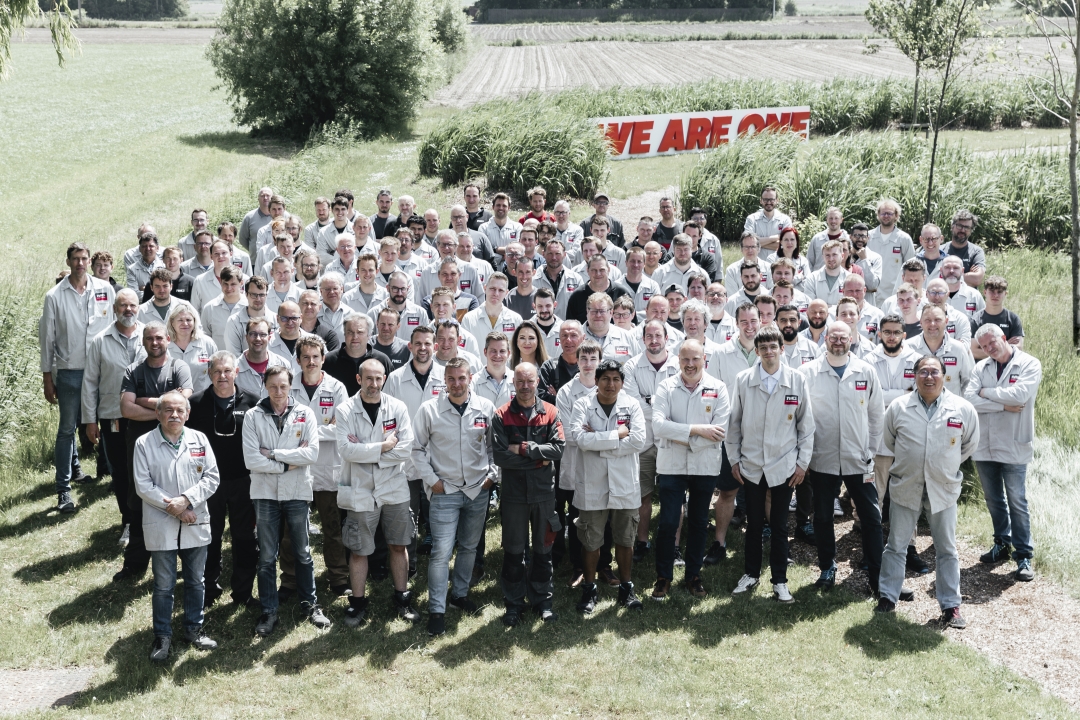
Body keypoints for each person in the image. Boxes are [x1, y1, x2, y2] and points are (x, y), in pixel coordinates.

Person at [878, 356, 979, 629]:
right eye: (923, 372)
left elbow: (968, 445)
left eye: (935, 371)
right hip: (906, 485)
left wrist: (943, 464)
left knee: (946, 549)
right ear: (915, 376)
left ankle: (951, 606)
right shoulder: (899, 407)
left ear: (944, 375)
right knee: (896, 545)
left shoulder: (962, 409)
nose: (929, 377)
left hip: (942, 487)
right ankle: (887, 597)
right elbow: (888, 441)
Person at [728, 326, 815, 604]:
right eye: (762, 348)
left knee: (779, 526)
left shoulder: (797, 380)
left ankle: (780, 581)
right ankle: (751, 574)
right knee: (754, 525)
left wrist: (802, 464)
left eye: (773, 347)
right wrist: (734, 460)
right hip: (752, 466)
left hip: (784, 467)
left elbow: (807, 427)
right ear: (756, 351)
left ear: (782, 349)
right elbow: (734, 426)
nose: (768, 352)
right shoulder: (743, 380)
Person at [411, 358, 497, 636]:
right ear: (444, 381)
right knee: (440, 553)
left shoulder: (485, 408)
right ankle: (437, 609)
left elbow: (495, 447)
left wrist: (492, 476)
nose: (457, 384)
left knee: (470, 547)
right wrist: (432, 480)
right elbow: (416, 450)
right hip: (444, 490)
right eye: (451, 379)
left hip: (477, 489)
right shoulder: (429, 410)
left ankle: (459, 595)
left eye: (462, 378)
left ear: (470, 378)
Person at [242, 365, 330, 635]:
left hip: (296, 492)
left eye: (283, 387)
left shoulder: (305, 413)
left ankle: (310, 605)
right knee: (267, 556)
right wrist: (288, 460)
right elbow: (251, 460)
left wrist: (273, 454)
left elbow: (312, 454)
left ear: (290, 387)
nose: (278, 392)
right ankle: (269, 611)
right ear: (265, 387)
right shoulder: (252, 416)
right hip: (265, 493)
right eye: (273, 387)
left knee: (303, 553)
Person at [799, 321, 885, 593]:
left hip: (859, 460)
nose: (838, 341)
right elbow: (802, 419)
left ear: (852, 339)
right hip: (822, 459)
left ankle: (876, 573)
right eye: (833, 337)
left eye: (843, 337)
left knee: (871, 517)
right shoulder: (808, 373)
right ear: (825, 338)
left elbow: (876, 415)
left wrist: (870, 451)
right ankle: (827, 567)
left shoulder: (866, 371)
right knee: (823, 516)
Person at [333, 358, 419, 626]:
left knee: (398, 544)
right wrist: (383, 446)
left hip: (393, 487)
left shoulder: (398, 407)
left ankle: (402, 598)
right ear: (358, 380)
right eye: (368, 379)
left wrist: (367, 451)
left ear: (385, 379)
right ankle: (357, 604)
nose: (374, 384)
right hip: (359, 489)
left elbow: (406, 448)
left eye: (378, 378)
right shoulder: (346, 410)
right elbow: (345, 450)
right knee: (359, 549)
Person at [135, 391, 220, 662]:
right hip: (163, 521)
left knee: (196, 580)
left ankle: (194, 629)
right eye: (168, 410)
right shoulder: (144, 443)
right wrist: (175, 507)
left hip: (195, 518)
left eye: (179, 410)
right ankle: (162, 636)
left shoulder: (200, 439)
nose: (174, 415)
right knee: (163, 584)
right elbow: (143, 484)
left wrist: (187, 500)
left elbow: (212, 477)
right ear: (158, 414)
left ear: (187, 413)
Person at [650, 339, 730, 600]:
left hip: (704, 467)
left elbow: (719, 432)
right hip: (671, 466)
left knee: (697, 522)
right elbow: (659, 427)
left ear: (704, 359)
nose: (690, 364)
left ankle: (694, 576)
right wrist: (697, 430)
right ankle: (663, 576)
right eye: (685, 359)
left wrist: (679, 432)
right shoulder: (665, 387)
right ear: (678, 360)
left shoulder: (718, 388)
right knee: (669, 522)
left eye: (695, 359)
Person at [114, 322, 194, 582]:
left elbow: (183, 401)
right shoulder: (134, 371)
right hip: (140, 444)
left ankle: (186, 562)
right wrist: (165, 410)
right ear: (143, 342)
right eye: (149, 338)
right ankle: (135, 564)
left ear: (168, 339)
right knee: (139, 499)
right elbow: (126, 409)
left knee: (176, 494)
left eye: (159, 337)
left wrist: (145, 401)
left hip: (175, 444)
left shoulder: (178, 367)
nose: (155, 342)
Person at [41, 242, 116, 512]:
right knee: (66, 431)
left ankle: (116, 477)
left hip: (101, 368)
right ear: (69, 261)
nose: (80, 263)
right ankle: (63, 491)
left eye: (84, 258)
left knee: (110, 423)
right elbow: (47, 339)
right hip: (70, 372)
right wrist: (48, 376)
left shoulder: (104, 289)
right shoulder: (55, 296)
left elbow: (112, 328)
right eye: (75, 258)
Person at [569, 359, 647, 613]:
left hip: (625, 484)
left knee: (625, 538)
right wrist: (616, 435)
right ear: (597, 381)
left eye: (615, 379)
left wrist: (599, 443)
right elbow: (580, 439)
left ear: (622, 383)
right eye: (605, 378)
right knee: (591, 540)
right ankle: (590, 589)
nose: (610, 384)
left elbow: (638, 441)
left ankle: (626, 588)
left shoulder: (632, 404)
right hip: (592, 484)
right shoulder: (583, 404)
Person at [965, 324, 1042, 581]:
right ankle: (1001, 543)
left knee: (1017, 501)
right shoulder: (980, 367)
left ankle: (1023, 555)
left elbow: (1019, 396)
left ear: (1004, 338)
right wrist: (1001, 407)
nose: (989, 349)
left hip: (1013, 442)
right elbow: (968, 399)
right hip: (984, 444)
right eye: (984, 346)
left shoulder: (1029, 364)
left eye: (992, 343)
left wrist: (985, 393)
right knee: (993, 499)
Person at [276, 335, 351, 600]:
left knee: (333, 528)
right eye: (305, 357)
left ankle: (339, 578)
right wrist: (321, 430)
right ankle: (290, 580)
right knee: (290, 531)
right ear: (298, 360)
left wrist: (306, 433)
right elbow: (280, 426)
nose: (310, 362)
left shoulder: (336, 387)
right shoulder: (287, 385)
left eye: (315, 357)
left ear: (323, 358)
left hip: (327, 469)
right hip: (294, 470)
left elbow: (342, 428)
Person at [492, 363, 566, 626]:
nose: (525, 386)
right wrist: (538, 457)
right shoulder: (501, 415)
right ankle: (513, 604)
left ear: (537, 382)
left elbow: (557, 450)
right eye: (521, 381)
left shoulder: (550, 412)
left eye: (530, 381)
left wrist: (522, 449)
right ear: (514, 382)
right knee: (513, 551)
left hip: (544, 494)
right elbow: (500, 456)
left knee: (543, 549)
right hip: (513, 495)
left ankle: (542, 601)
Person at [186, 350, 260, 608]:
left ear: (236, 372)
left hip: (244, 481)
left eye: (227, 371)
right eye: (216, 371)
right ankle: (207, 590)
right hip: (208, 483)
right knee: (209, 536)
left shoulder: (252, 402)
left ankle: (242, 592)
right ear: (209, 374)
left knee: (245, 538)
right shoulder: (195, 404)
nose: (222, 376)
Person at [82, 289, 144, 545]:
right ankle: (128, 521)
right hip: (113, 416)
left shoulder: (150, 335)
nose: (128, 309)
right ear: (114, 309)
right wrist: (90, 420)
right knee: (120, 471)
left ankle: (148, 520)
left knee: (144, 471)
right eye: (123, 305)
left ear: (138, 307)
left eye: (132, 305)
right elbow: (90, 382)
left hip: (144, 416)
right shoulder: (100, 340)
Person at [622, 320, 680, 564]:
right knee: (642, 496)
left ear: (667, 337)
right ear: (642, 338)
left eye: (658, 335)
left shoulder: (679, 364)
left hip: (672, 441)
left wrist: (650, 400)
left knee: (675, 497)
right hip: (643, 441)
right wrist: (661, 405)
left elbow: (680, 402)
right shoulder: (632, 366)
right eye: (649, 336)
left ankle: (673, 546)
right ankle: (642, 541)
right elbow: (633, 404)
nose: (654, 340)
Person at [554, 340, 602, 588]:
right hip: (574, 466)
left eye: (593, 359)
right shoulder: (565, 392)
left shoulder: (607, 387)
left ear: (599, 362)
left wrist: (590, 433)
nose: (588, 364)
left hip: (603, 467)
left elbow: (613, 429)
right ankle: (577, 566)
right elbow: (569, 435)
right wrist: (600, 434)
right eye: (584, 358)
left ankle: (603, 565)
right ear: (577, 360)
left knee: (603, 517)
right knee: (576, 519)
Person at [906, 304, 974, 397]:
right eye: (927, 320)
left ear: (946, 321)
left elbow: (969, 382)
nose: (932, 324)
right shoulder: (908, 347)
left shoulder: (959, 349)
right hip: (916, 409)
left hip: (951, 409)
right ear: (921, 322)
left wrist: (958, 405)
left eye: (937, 320)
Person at [323, 314, 392, 396]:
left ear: (369, 335)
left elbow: (392, 391)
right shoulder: (328, 360)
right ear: (344, 334)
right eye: (350, 332)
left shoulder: (382, 360)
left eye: (360, 332)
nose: (355, 337)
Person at [867, 199, 916, 304]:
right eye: (883, 213)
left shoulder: (904, 239)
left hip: (894, 296)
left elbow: (911, 268)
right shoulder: (868, 237)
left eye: (889, 213)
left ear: (896, 215)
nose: (886, 216)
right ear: (878, 215)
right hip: (870, 295)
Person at [166, 303, 217, 396]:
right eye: (180, 320)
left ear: (194, 321)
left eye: (188, 320)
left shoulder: (207, 343)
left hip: (203, 401)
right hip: (173, 402)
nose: (185, 324)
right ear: (172, 322)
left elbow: (216, 371)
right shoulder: (165, 345)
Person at [235, 318, 291, 399]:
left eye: (262, 334)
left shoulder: (283, 364)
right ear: (246, 337)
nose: (258, 338)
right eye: (253, 334)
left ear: (269, 337)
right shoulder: (235, 367)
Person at [971, 275, 1024, 360]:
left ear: (1005, 294)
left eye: (999, 292)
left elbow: (1018, 347)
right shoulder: (975, 320)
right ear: (984, 292)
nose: (995, 295)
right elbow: (973, 351)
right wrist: (1005, 345)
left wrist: (986, 350)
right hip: (983, 369)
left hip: (1007, 368)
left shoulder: (1013, 319)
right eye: (992, 291)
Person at [461, 272, 522, 342]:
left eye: (501, 290)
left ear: (506, 293)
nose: (496, 294)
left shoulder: (516, 320)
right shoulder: (469, 319)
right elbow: (464, 349)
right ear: (485, 288)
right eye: (493, 289)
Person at [224, 276, 277, 356]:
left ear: (267, 295)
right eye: (254, 295)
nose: (258, 299)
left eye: (262, 295)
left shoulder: (276, 320)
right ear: (246, 294)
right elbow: (234, 356)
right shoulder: (234, 322)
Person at [201, 266, 246, 352]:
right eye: (225, 284)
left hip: (244, 362)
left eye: (233, 284)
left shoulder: (249, 306)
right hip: (218, 361)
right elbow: (205, 339)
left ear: (241, 283)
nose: (229, 288)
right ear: (220, 282)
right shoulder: (209, 308)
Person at [744, 185, 792, 252]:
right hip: (757, 262)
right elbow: (748, 242)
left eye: (772, 199)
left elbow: (787, 244)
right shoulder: (751, 219)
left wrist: (756, 243)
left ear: (777, 200)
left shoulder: (785, 220)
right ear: (761, 201)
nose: (769, 202)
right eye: (765, 199)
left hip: (778, 262)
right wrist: (776, 238)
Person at [946, 209, 986, 288]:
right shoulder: (941, 250)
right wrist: (967, 275)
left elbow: (977, 279)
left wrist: (946, 277)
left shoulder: (976, 252)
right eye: (959, 226)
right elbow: (934, 277)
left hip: (968, 299)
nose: (963, 230)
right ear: (952, 226)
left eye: (967, 227)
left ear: (971, 230)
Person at [940, 255, 984, 323]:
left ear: (962, 270)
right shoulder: (932, 295)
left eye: (956, 268)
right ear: (941, 270)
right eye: (947, 267)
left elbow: (984, 322)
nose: (951, 271)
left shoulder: (975, 295)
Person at [804, 240, 849, 305]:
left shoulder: (849, 279)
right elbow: (811, 305)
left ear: (842, 256)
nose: (831, 259)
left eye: (834, 255)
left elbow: (851, 306)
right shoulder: (812, 279)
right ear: (823, 257)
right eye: (827, 255)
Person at [848, 223, 884, 304]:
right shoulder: (845, 256)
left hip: (867, 302)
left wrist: (864, 260)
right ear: (850, 237)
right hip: (847, 302)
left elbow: (873, 285)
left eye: (863, 236)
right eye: (857, 236)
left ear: (868, 238)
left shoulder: (875, 258)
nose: (860, 239)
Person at [777, 303, 820, 369]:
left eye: (792, 320)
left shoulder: (813, 348)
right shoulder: (768, 348)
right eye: (783, 320)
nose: (788, 324)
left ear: (799, 322)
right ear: (777, 323)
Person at [806, 207, 848, 271]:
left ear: (841, 220)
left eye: (836, 218)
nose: (833, 221)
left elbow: (851, 261)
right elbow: (809, 261)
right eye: (831, 218)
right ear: (827, 220)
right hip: (818, 279)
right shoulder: (817, 239)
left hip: (841, 279)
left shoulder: (847, 239)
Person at [238, 187, 274, 251]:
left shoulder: (281, 215)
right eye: (262, 196)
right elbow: (242, 239)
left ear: (272, 198)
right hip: (256, 259)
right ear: (258, 199)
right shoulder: (249, 217)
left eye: (268, 195)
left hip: (277, 259)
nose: (265, 198)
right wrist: (253, 250)